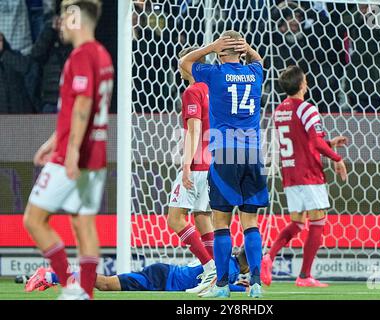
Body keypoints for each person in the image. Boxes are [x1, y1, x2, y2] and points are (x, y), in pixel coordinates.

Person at [23, 0, 114, 300]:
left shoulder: (81, 56)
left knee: (34, 220)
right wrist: (51, 143)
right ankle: (85, 293)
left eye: (65, 14)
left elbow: (83, 105)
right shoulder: (102, 55)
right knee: (83, 223)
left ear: (76, 17)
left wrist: (70, 150)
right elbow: (75, 109)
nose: (61, 21)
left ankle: (69, 285)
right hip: (96, 155)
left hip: (73, 156)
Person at [180, 31, 268, 298]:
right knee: (250, 222)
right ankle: (255, 285)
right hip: (252, 153)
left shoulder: (215, 74)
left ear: (220, 52)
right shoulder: (254, 73)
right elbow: (259, 60)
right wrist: (247, 48)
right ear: (241, 51)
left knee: (220, 222)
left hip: (225, 152)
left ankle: (221, 286)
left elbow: (184, 62)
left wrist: (211, 46)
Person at [261, 65, 348, 287]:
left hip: (290, 172)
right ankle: (304, 276)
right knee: (318, 220)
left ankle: (268, 257)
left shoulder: (280, 110)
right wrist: (337, 159)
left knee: (298, 223)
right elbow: (314, 142)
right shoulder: (307, 108)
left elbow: (302, 141)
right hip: (308, 173)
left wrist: (329, 143)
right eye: (306, 80)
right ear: (302, 84)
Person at [166, 46, 215, 294]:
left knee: (174, 219)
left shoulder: (193, 91)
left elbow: (194, 130)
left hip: (196, 164)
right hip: (213, 163)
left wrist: (185, 165)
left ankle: (209, 269)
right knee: (202, 217)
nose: (179, 66)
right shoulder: (214, 90)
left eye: (181, 62)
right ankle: (218, 275)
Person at [25, 248, 250, 293]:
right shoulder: (230, 270)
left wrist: (236, 286)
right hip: (161, 279)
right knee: (105, 285)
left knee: (105, 284)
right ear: (248, 265)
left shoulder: (225, 261)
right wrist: (241, 291)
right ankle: (51, 274)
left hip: (165, 273)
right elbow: (219, 288)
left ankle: (53, 275)